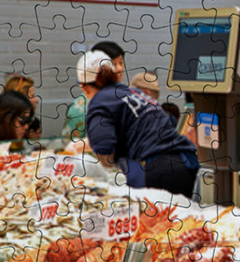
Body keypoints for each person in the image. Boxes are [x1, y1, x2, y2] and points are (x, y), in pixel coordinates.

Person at [77, 50, 199, 199]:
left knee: (150, 220)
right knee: (178, 220)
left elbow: (105, 151)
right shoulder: (134, 92)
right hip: (186, 163)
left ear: (84, 87)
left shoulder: (99, 103)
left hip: (156, 171)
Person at [64, 40, 126, 139]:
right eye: (113, 64)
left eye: (121, 63)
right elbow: (70, 147)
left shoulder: (127, 98)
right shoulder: (80, 109)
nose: (119, 69)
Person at [3, 73, 42, 138]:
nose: (37, 100)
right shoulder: (2, 128)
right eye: (32, 96)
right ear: (19, 100)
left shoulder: (33, 123)